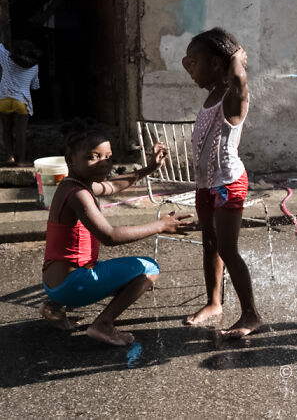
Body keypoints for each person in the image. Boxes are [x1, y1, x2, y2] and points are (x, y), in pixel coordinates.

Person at [40, 120, 192, 346]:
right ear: (70, 160)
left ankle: (54, 305)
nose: (104, 164)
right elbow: (110, 236)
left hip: (52, 283)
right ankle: (103, 324)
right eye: (93, 157)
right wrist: (161, 225)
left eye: (108, 157)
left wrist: (147, 169)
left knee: (121, 272)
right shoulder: (78, 194)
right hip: (73, 284)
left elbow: (113, 186)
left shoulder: (73, 184)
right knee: (149, 269)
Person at [181, 27, 262, 339]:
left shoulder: (232, 97)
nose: (189, 69)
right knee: (210, 245)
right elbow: (192, 61)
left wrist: (236, 59)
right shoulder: (211, 95)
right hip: (205, 184)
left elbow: (239, 80)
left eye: (195, 63)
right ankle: (214, 303)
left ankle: (251, 314)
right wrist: (200, 56)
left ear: (217, 65)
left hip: (228, 184)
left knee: (228, 249)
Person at [0, 40, 41, 166]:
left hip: (4, 99)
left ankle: (9, 157)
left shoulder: (6, 58)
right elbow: (35, 86)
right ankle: (21, 161)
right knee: (20, 132)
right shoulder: (34, 67)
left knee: (6, 130)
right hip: (22, 101)